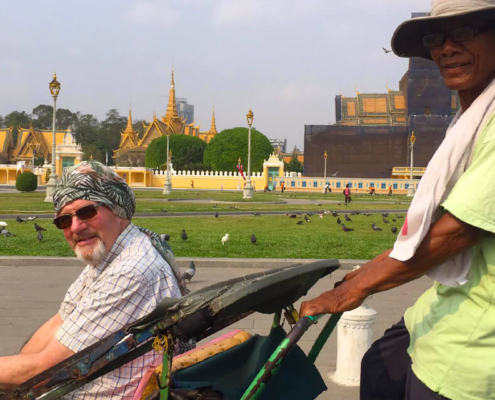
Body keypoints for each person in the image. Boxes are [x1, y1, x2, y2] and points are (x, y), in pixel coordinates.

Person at [301, 1, 495, 399]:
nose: (446, 48)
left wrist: (352, 290)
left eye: (464, 32)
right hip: (446, 304)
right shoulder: (473, 118)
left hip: (475, 339)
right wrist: (368, 270)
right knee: (378, 367)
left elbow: (457, 232)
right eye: (435, 38)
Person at [0, 161, 189, 397]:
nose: (76, 227)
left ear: (117, 209)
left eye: (87, 212)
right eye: (64, 221)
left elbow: (44, 370)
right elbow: (60, 322)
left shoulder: (131, 269)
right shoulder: (112, 256)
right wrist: (17, 368)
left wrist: (18, 372)